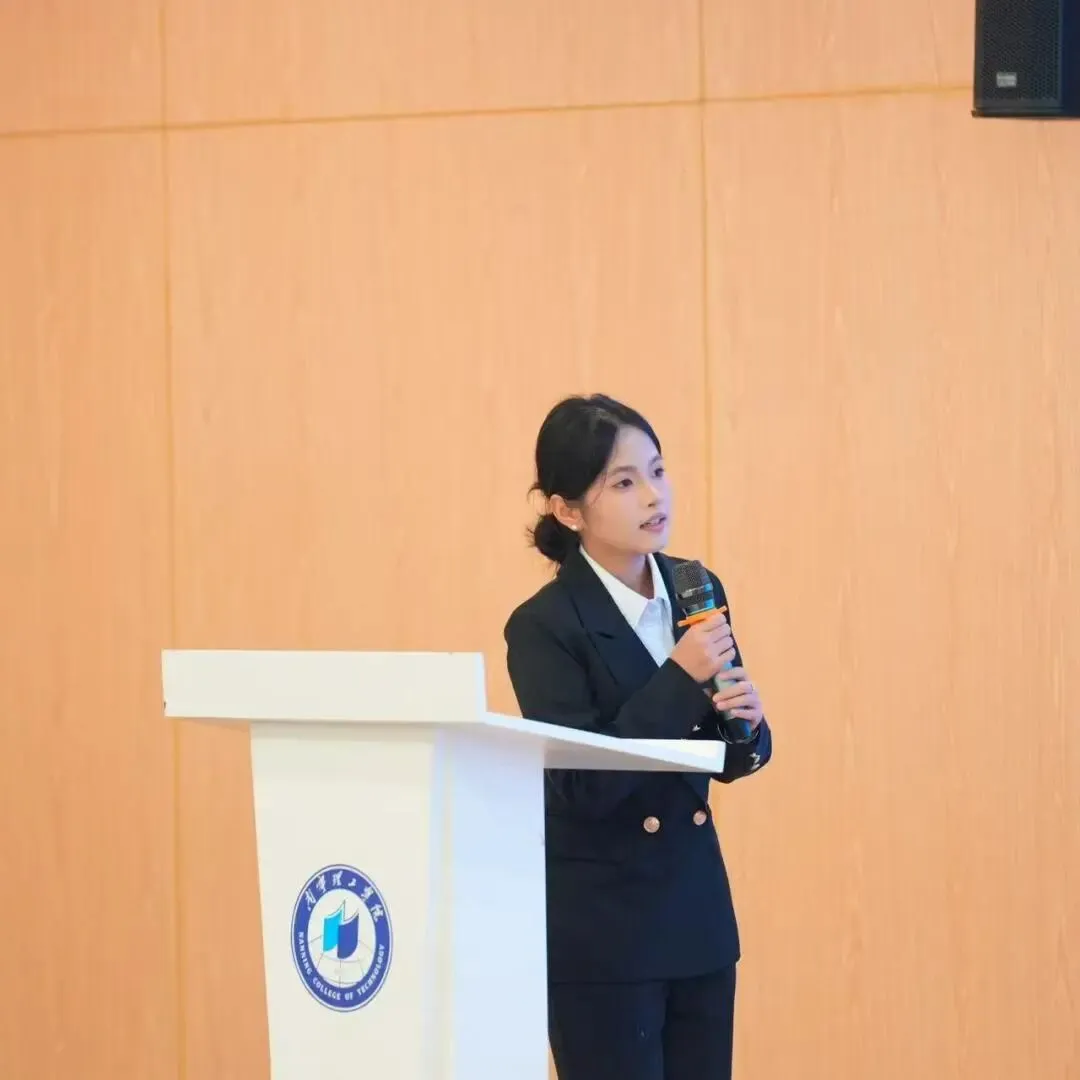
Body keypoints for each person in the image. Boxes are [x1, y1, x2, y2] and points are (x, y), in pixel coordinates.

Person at [503, 393, 773, 1080]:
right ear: (568, 510)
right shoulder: (544, 627)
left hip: (697, 920)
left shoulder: (694, 587)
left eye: (657, 471)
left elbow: (726, 754)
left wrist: (747, 728)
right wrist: (681, 678)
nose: (654, 495)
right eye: (623, 482)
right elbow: (582, 785)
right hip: (605, 939)